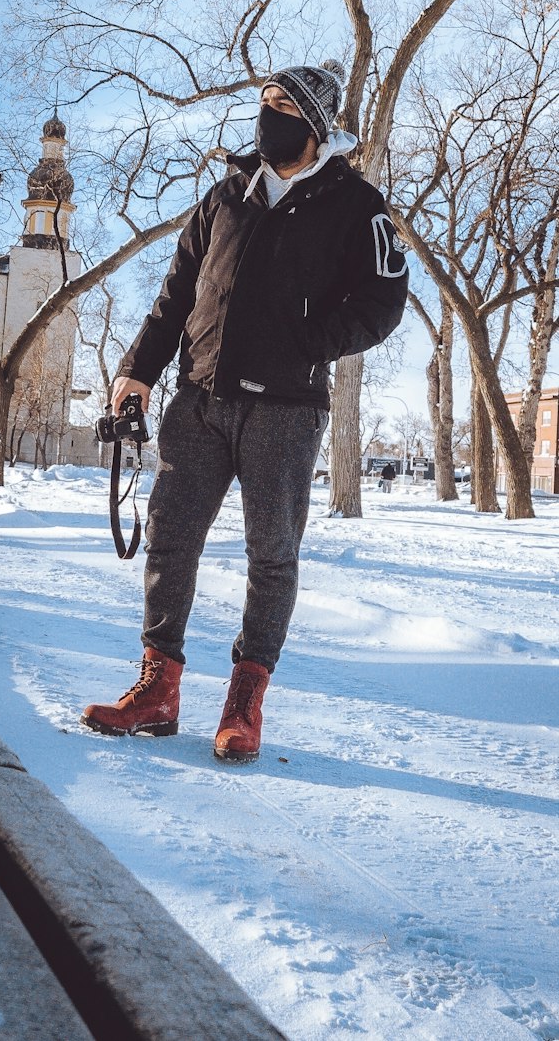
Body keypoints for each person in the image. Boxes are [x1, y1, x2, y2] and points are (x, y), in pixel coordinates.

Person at [81, 60, 408, 762]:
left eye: (284, 103)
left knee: (272, 556)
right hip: (198, 398)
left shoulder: (357, 206)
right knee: (169, 538)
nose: (268, 112)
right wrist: (138, 369)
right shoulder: (226, 195)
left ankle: (244, 702)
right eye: (263, 100)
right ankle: (159, 690)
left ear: (316, 125)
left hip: (285, 411)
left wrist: (310, 340)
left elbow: (383, 303)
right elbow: (174, 294)